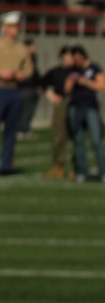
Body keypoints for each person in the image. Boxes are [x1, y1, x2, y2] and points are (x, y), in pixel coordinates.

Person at [65, 45, 105, 183]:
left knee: (96, 140)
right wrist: (72, 81)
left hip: (90, 107)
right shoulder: (73, 70)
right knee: (78, 140)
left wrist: (85, 82)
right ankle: (82, 171)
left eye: (78, 57)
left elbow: (102, 86)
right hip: (75, 107)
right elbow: (66, 90)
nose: (76, 60)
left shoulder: (94, 68)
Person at [0, 11, 33, 176]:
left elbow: (29, 69)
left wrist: (22, 75)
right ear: (4, 27)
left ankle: (6, 165)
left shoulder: (21, 48)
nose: (16, 29)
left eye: (17, 26)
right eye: (12, 26)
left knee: (11, 130)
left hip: (14, 90)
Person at [41, 45, 74, 179]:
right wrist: (51, 96)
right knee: (58, 135)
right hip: (61, 104)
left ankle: (77, 167)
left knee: (76, 136)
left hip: (76, 104)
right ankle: (58, 166)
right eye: (67, 56)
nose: (69, 59)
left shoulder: (77, 71)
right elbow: (41, 84)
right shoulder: (56, 71)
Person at [16, 37, 40, 139]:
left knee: (30, 110)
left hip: (33, 88)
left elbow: (35, 74)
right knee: (24, 110)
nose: (35, 48)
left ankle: (26, 129)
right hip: (25, 88)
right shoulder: (22, 58)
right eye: (33, 46)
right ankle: (21, 130)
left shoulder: (33, 58)